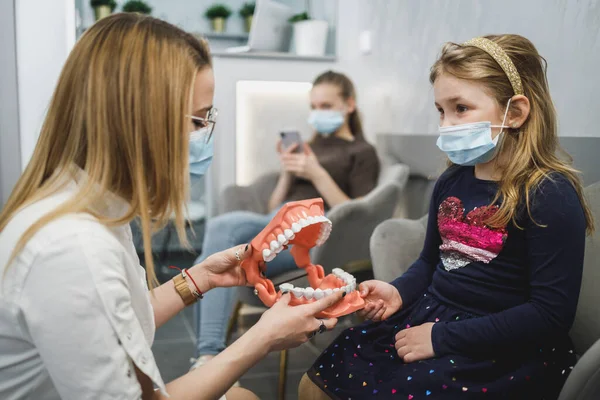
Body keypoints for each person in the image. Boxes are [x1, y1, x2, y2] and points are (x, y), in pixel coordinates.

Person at [0, 14, 346, 400]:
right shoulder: (72, 248)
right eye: (198, 121)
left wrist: (201, 278)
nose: (204, 137)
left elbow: (123, 319)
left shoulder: (92, 209)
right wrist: (261, 338)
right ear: (141, 122)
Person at [299, 34, 595, 399]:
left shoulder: (550, 194)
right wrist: (396, 291)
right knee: (321, 375)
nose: (447, 123)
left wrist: (440, 338)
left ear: (515, 113)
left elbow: (549, 315)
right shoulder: (451, 181)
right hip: (429, 321)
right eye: (441, 110)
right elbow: (429, 262)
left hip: (504, 349)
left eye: (461, 108)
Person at [191, 70, 380, 369]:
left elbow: (354, 213)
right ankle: (208, 355)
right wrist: (288, 172)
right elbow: (274, 206)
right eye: (314, 107)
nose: (318, 114)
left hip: (312, 236)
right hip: (278, 223)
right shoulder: (309, 146)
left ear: (349, 105)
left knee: (220, 231)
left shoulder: (362, 151)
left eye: (327, 106)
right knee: (221, 237)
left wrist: (316, 172)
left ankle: (207, 354)